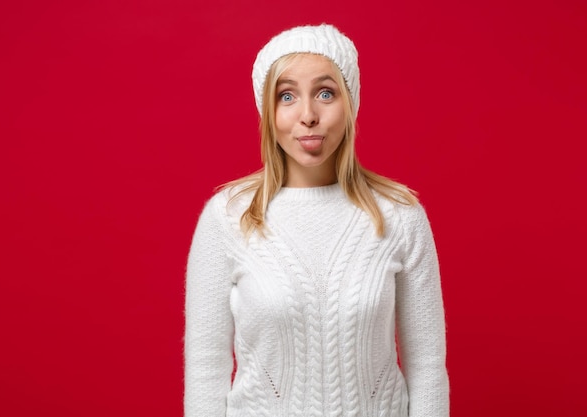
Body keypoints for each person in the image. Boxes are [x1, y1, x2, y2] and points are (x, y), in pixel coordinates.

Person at [185, 23, 449, 417]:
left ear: (351, 102)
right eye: (287, 96)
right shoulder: (228, 218)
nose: (308, 115)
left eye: (326, 93)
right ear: (268, 111)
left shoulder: (400, 216)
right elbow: (206, 368)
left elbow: (427, 367)